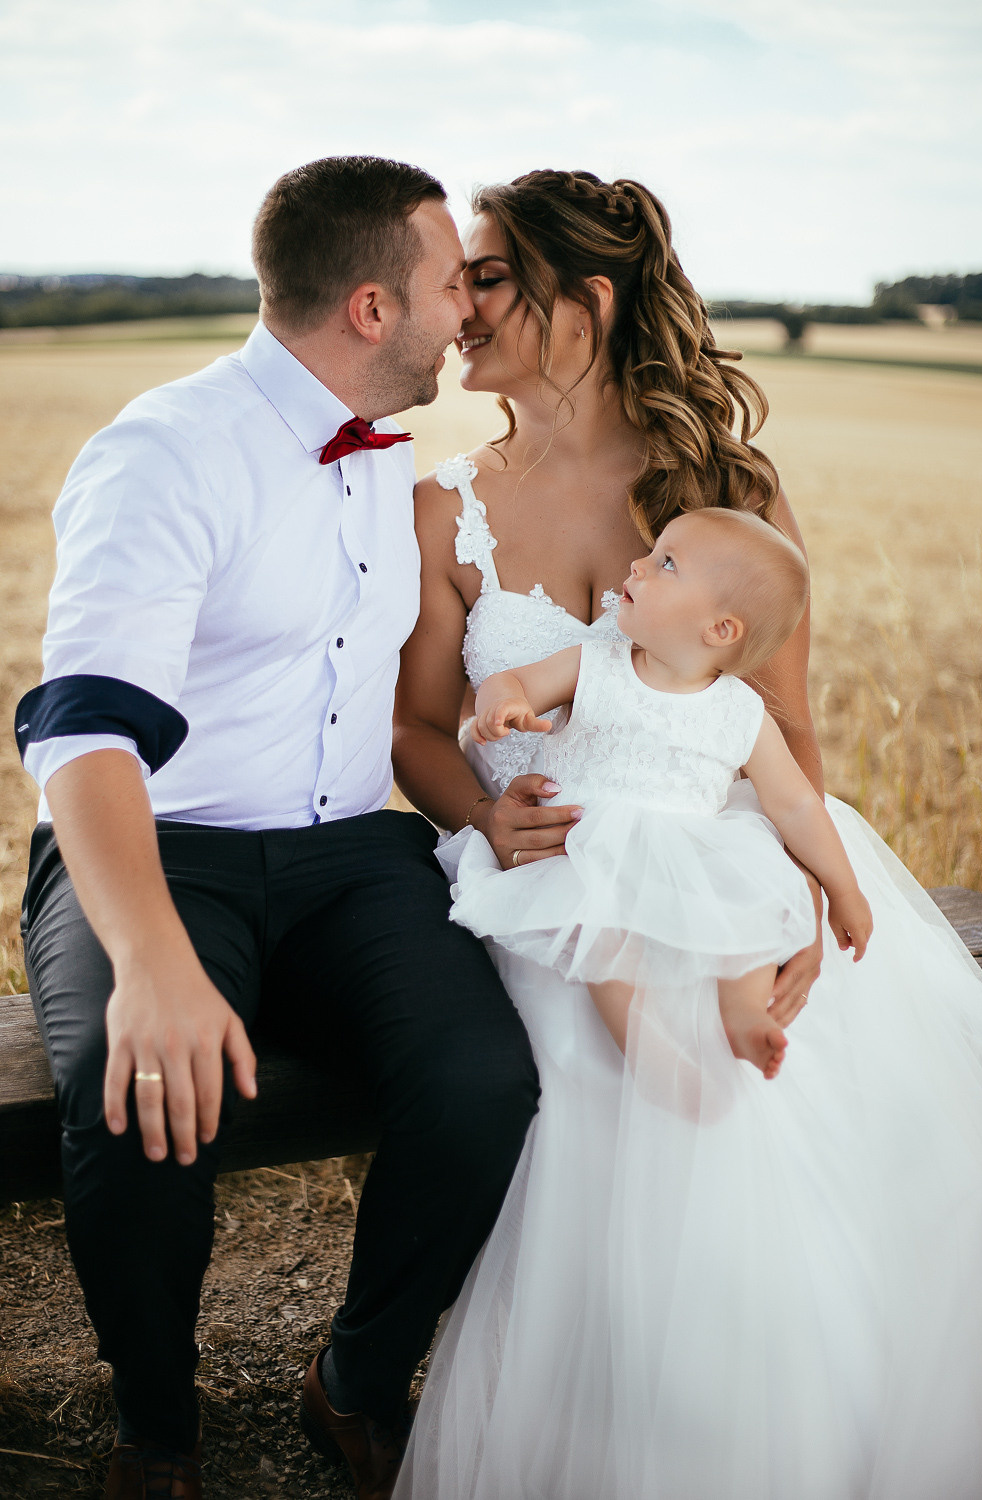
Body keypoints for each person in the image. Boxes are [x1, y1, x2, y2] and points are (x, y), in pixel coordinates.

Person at [391, 170, 982, 1498]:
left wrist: (790, 913)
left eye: (489, 275)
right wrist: (487, 810)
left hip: (725, 858)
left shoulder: (723, 489)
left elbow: (782, 742)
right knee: (618, 1085)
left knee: (825, 1073)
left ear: (585, 304)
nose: (459, 303)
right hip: (545, 878)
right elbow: (420, 735)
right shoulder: (447, 505)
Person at [14, 155, 539, 1500]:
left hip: (348, 855)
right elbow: (81, 734)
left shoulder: (391, 463)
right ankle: (156, 1427)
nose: (463, 315)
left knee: (486, 1081)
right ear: (371, 309)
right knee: (141, 1103)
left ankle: (353, 1377)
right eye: (445, 285)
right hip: (157, 847)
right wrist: (150, 961)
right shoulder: (165, 452)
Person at [458, 507, 874, 1082]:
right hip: (587, 853)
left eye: (666, 564)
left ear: (720, 629)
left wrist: (842, 887)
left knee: (745, 914)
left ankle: (748, 1014)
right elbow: (518, 682)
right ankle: (653, 1058)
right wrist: (504, 703)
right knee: (602, 934)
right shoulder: (597, 666)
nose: (638, 564)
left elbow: (797, 805)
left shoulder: (740, 712)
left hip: (689, 859)